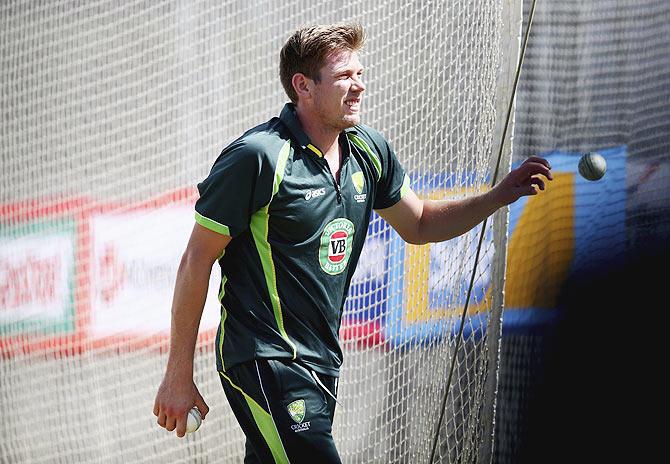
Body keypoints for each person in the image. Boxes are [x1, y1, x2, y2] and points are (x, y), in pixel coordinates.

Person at [153, 23, 552, 463]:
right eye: (345, 76)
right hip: (264, 357)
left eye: (360, 74)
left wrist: (498, 196)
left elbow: (418, 225)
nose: (359, 86)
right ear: (303, 86)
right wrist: (178, 374)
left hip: (323, 362)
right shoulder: (259, 156)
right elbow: (196, 260)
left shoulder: (369, 150)